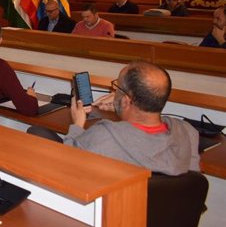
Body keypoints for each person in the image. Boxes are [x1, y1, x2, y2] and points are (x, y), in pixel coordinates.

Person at [61, 61, 200, 175]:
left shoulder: (104, 135)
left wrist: (77, 125)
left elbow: (67, 163)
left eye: (118, 88)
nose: (115, 92)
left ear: (126, 100)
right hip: (168, 208)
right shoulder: (187, 132)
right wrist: (121, 106)